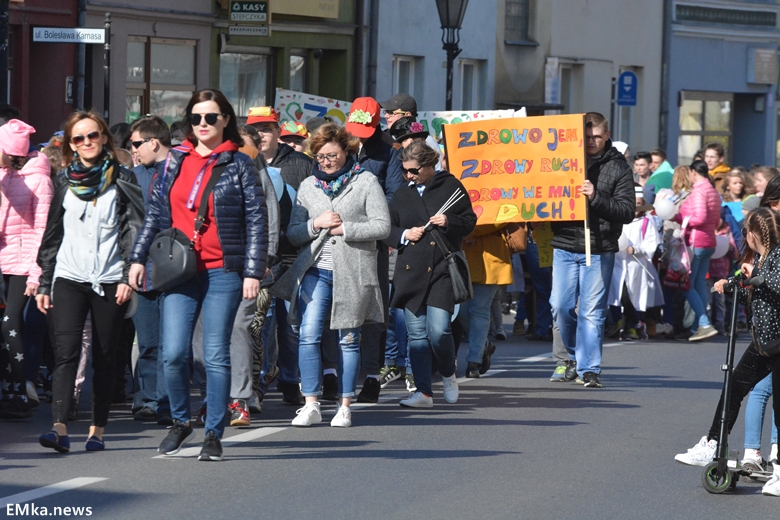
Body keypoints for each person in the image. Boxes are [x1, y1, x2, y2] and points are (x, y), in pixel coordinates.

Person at [129, 89, 268, 461]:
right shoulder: (174, 160)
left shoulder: (239, 164)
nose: (203, 124)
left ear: (225, 120)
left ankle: (213, 432)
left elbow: (257, 220)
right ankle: (179, 422)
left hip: (223, 270)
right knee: (173, 354)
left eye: (210, 117)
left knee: (215, 354)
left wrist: (252, 270)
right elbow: (156, 215)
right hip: (178, 269)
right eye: (195, 118)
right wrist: (138, 257)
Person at [35, 110, 144, 453]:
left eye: (92, 136)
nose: (86, 143)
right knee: (65, 353)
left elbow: (135, 230)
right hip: (69, 276)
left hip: (111, 278)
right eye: (78, 138)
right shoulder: (64, 180)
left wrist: (129, 274)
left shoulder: (123, 178)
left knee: (106, 355)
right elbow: (52, 235)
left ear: (104, 138)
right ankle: (59, 428)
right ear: (70, 144)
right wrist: (43, 281)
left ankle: (97, 429)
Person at [270, 122, 390, 427]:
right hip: (315, 271)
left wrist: (345, 228)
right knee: (308, 335)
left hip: (353, 271)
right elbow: (294, 233)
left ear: (345, 151)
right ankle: (311, 403)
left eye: (332, 155)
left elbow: (382, 226)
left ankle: (344, 405)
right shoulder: (309, 186)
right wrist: (317, 224)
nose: (327, 161)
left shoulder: (365, 181)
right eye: (321, 156)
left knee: (348, 339)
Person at [675, 207, 780, 497]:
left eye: (748, 232)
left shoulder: (778, 256)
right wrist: (736, 281)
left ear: (755, 234)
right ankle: (712, 444)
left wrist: (755, 276)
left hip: (778, 343)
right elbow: (757, 284)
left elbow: (776, 283)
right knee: (733, 386)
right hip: (763, 343)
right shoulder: (762, 258)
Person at [383, 141, 476, 407]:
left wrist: (450, 222)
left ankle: (448, 373)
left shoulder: (452, 187)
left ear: (428, 166)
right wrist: (403, 234)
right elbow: (386, 227)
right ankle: (423, 392)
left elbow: (469, 222)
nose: (408, 176)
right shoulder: (403, 193)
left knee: (439, 331)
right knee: (416, 336)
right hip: (411, 271)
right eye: (405, 171)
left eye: (413, 171)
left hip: (441, 270)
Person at [548, 112, 635, 388]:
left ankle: (589, 368)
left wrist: (595, 196)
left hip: (598, 248)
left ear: (607, 135)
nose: (592, 142)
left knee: (591, 310)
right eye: (587, 137)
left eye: (597, 136)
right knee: (560, 306)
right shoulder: (564, 161)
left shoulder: (619, 167)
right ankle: (570, 358)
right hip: (564, 243)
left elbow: (626, 210)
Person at [0, 120, 53, 419]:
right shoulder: (5, 176)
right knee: (5, 328)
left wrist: (37, 273)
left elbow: (41, 230)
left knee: (11, 323)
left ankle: (21, 389)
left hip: (23, 264)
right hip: (3, 259)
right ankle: (10, 388)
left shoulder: (39, 180)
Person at [345, 96, 394, 403]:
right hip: (337, 240)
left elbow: (393, 196)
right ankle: (332, 374)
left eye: (367, 128)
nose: (360, 135)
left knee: (373, 308)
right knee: (335, 308)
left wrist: (367, 217)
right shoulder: (339, 148)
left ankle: (372, 376)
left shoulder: (388, 154)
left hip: (372, 242)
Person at [127, 115, 171, 425]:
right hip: (142, 270)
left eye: (135, 144)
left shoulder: (180, 171)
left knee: (174, 343)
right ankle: (146, 398)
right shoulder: (132, 176)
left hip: (175, 268)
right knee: (148, 342)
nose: (132, 150)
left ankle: (168, 401)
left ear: (153, 142)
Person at [673, 160, 721, 341]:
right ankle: (698, 326)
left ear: (693, 172)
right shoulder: (712, 191)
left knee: (686, 285)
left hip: (696, 242)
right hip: (709, 241)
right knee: (699, 283)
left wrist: (680, 218)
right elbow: (714, 219)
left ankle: (704, 323)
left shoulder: (699, 190)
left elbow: (699, 218)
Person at [608, 186, 663, 341]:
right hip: (618, 263)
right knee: (617, 294)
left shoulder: (646, 222)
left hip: (636, 266)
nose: (636, 207)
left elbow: (651, 244)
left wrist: (637, 250)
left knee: (633, 296)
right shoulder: (619, 220)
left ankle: (632, 326)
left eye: (639, 203)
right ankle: (622, 323)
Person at [458, 223, 513, 378]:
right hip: (463, 255)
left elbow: (504, 214)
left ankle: (473, 362)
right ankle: (483, 345)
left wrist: (470, 231)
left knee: (479, 310)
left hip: (491, 256)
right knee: (461, 311)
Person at [246, 106, 311, 191]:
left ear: (278, 132)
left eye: (265, 129)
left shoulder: (304, 162)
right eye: (253, 130)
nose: (259, 135)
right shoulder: (239, 162)